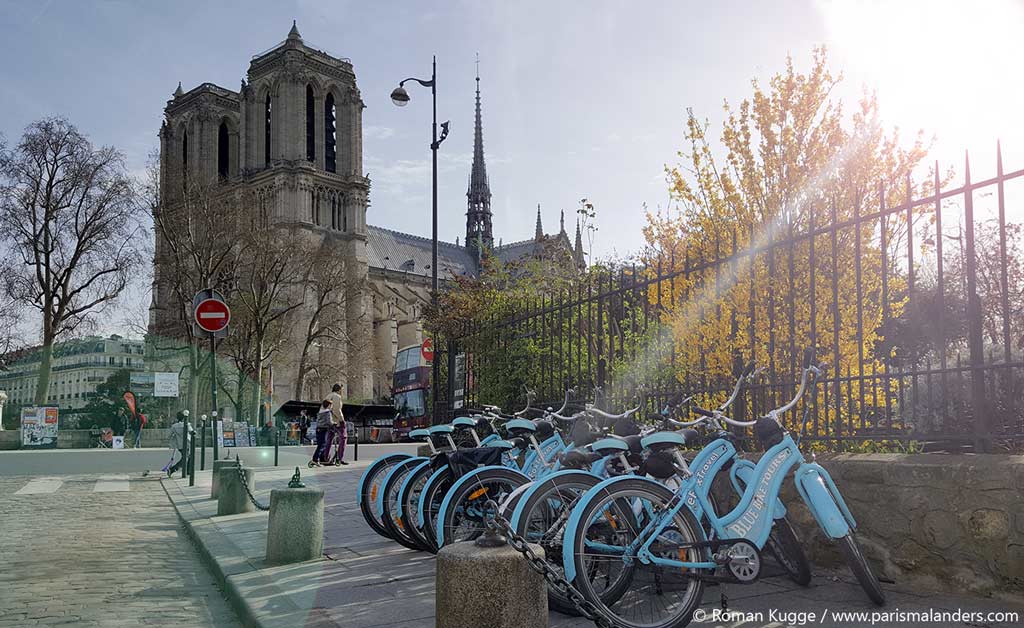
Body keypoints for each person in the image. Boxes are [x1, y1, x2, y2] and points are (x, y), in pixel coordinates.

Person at [325, 383, 348, 466]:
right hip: (336, 421)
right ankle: (339, 458)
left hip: (328, 421)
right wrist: (342, 420)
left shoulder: (328, 396)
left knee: (329, 439)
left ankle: (326, 457)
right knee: (343, 438)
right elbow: (337, 410)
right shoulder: (337, 397)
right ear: (339, 389)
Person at [166, 410, 192, 476]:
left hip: (179, 444)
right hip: (187, 443)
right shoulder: (187, 424)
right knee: (185, 458)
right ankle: (173, 469)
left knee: (189, 456)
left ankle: (188, 471)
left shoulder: (174, 426)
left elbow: (168, 435)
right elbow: (192, 431)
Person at [309, 399, 333, 468]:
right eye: (331, 405)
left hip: (318, 429)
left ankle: (322, 459)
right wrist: (334, 424)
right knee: (322, 445)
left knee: (321, 444)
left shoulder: (320, 412)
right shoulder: (328, 412)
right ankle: (315, 459)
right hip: (324, 429)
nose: (331, 407)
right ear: (329, 405)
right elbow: (329, 422)